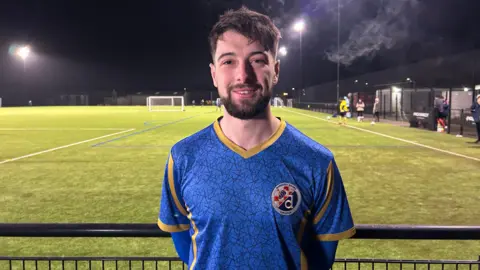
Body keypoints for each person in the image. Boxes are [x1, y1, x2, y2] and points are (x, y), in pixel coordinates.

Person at [157, 6, 355, 270]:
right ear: (214, 74)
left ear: (275, 70)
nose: (243, 76)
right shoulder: (182, 157)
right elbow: (185, 244)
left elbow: (322, 258)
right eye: (228, 61)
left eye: (257, 60)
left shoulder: (317, 162)